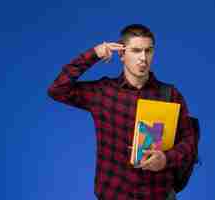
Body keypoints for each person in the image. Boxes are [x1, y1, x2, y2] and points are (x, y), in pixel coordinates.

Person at [47, 24, 196, 200]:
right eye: (136, 50)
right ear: (122, 54)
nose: (143, 58)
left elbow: (190, 141)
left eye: (148, 51)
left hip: (159, 195)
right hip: (114, 194)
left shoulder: (170, 94)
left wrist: (166, 159)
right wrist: (93, 54)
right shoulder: (103, 92)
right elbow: (57, 89)